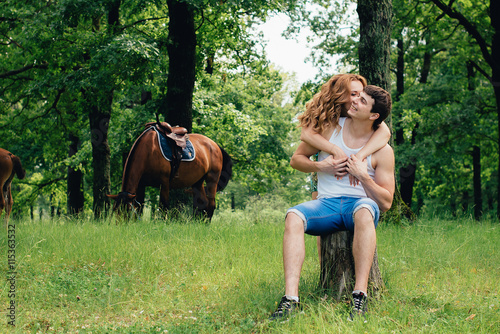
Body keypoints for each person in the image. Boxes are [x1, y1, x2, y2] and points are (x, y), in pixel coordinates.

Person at [270, 85, 395, 321]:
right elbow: (297, 159)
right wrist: (321, 165)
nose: (355, 101)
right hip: (326, 205)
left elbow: (386, 202)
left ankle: (360, 296)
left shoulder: (383, 150)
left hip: (358, 207)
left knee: (366, 210)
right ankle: (290, 299)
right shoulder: (330, 129)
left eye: (363, 101)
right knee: (293, 215)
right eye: (356, 96)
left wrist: (363, 175)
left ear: (374, 116)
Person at [298, 74, 391, 262]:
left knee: (361, 213)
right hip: (325, 165)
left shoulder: (365, 118)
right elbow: (306, 134)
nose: (356, 98)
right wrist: (332, 151)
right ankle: (326, 267)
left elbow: (385, 131)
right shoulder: (326, 115)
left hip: (355, 189)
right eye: (353, 94)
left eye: (360, 94)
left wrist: (360, 155)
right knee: (321, 216)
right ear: (340, 95)